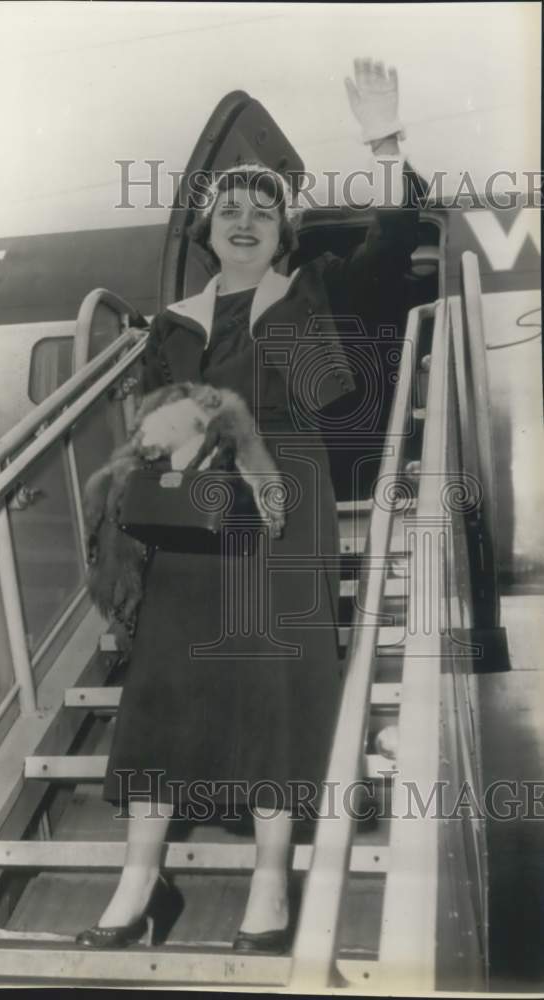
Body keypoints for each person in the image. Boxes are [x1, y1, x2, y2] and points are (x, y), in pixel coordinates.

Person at [76, 58, 421, 953]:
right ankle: (138, 885)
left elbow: (394, 240)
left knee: (277, 684)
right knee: (159, 691)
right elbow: (147, 425)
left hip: (286, 503)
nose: (244, 221)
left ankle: (270, 888)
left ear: (287, 232)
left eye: (262, 210)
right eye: (229, 209)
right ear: (206, 227)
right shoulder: (172, 325)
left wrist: (385, 143)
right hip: (192, 515)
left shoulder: (315, 291)